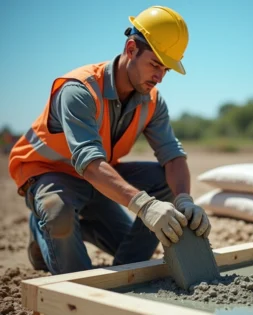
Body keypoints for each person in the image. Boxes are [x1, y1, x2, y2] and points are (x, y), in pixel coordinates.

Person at [8, 5, 211, 275]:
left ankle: (118, 263)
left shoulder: (151, 101)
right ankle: (44, 228)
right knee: (60, 218)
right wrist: (144, 205)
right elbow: (90, 163)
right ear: (130, 49)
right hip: (51, 175)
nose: (160, 77)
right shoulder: (79, 90)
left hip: (100, 178)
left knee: (154, 205)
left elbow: (172, 156)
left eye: (166, 70)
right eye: (155, 64)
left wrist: (184, 199)